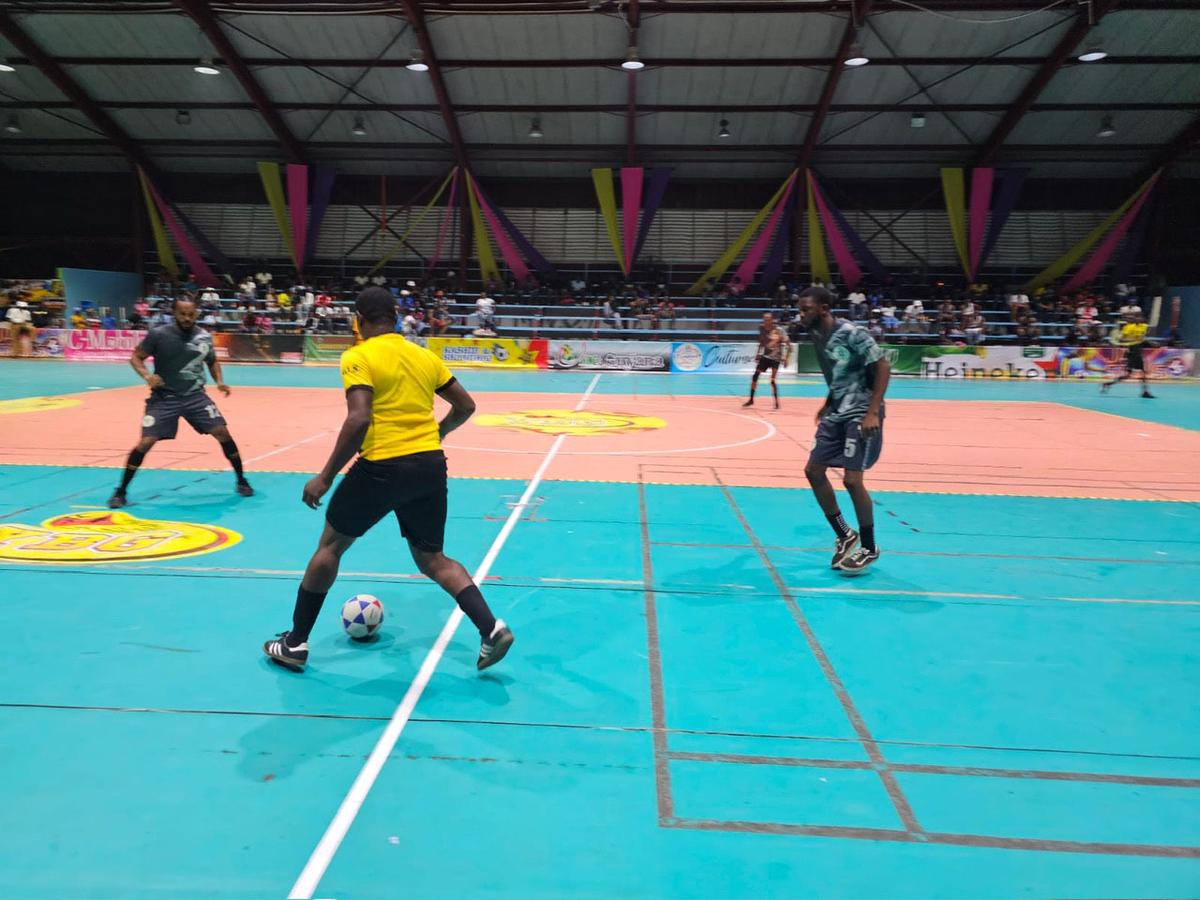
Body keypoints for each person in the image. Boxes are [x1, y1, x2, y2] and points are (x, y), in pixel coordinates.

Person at [262, 288, 514, 672]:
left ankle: (295, 643)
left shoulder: (359, 356)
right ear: (396, 317)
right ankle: (491, 628)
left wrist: (326, 476)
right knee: (433, 559)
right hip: (430, 464)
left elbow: (359, 418)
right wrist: (440, 433)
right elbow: (466, 405)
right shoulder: (424, 355)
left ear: (358, 320)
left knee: (330, 547)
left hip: (382, 466)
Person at [108, 297, 253, 509]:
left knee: (222, 432)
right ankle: (120, 491)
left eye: (191, 314)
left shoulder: (204, 336)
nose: (187, 318)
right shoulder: (159, 334)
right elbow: (136, 357)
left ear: (197, 314)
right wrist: (147, 377)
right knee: (145, 443)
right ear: (174, 313)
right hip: (164, 397)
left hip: (195, 396)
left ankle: (242, 480)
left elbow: (211, 361)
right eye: (182, 314)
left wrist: (220, 382)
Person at [798, 286, 891, 575]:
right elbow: (836, 372)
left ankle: (870, 546)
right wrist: (827, 402)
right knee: (813, 471)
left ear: (824, 308)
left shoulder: (852, 332)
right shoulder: (816, 334)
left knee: (852, 480)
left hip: (861, 412)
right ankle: (844, 533)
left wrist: (873, 411)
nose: (801, 315)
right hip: (837, 411)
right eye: (800, 309)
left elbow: (883, 365)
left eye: (806, 309)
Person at [1101, 311, 1154, 399]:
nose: (1139, 319)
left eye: (1140, 317)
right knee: (1128, 375)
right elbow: (1122, 340)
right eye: (1137, 317)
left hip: (1138, 352)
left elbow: (1143, 337)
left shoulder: (1144, 326)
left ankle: (1145, 392)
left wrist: (1145, 341)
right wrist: (1131, 341)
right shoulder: (1128, 327)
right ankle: (1107, 384)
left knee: (1142, 373)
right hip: (1132, 352)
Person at [743, 312, 791, 409]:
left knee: (772, 380)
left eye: (768, 319)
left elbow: (788, 344)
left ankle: (776, 402)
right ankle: (751, 399)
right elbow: (761, 342)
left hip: (776, 358)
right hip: (765, 356)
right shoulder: (762, 329)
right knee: (755, 376)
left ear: (772, 320)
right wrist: (758, 353)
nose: (766, 321)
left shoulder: (779, 330)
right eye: (764, 319)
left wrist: (786, 358)